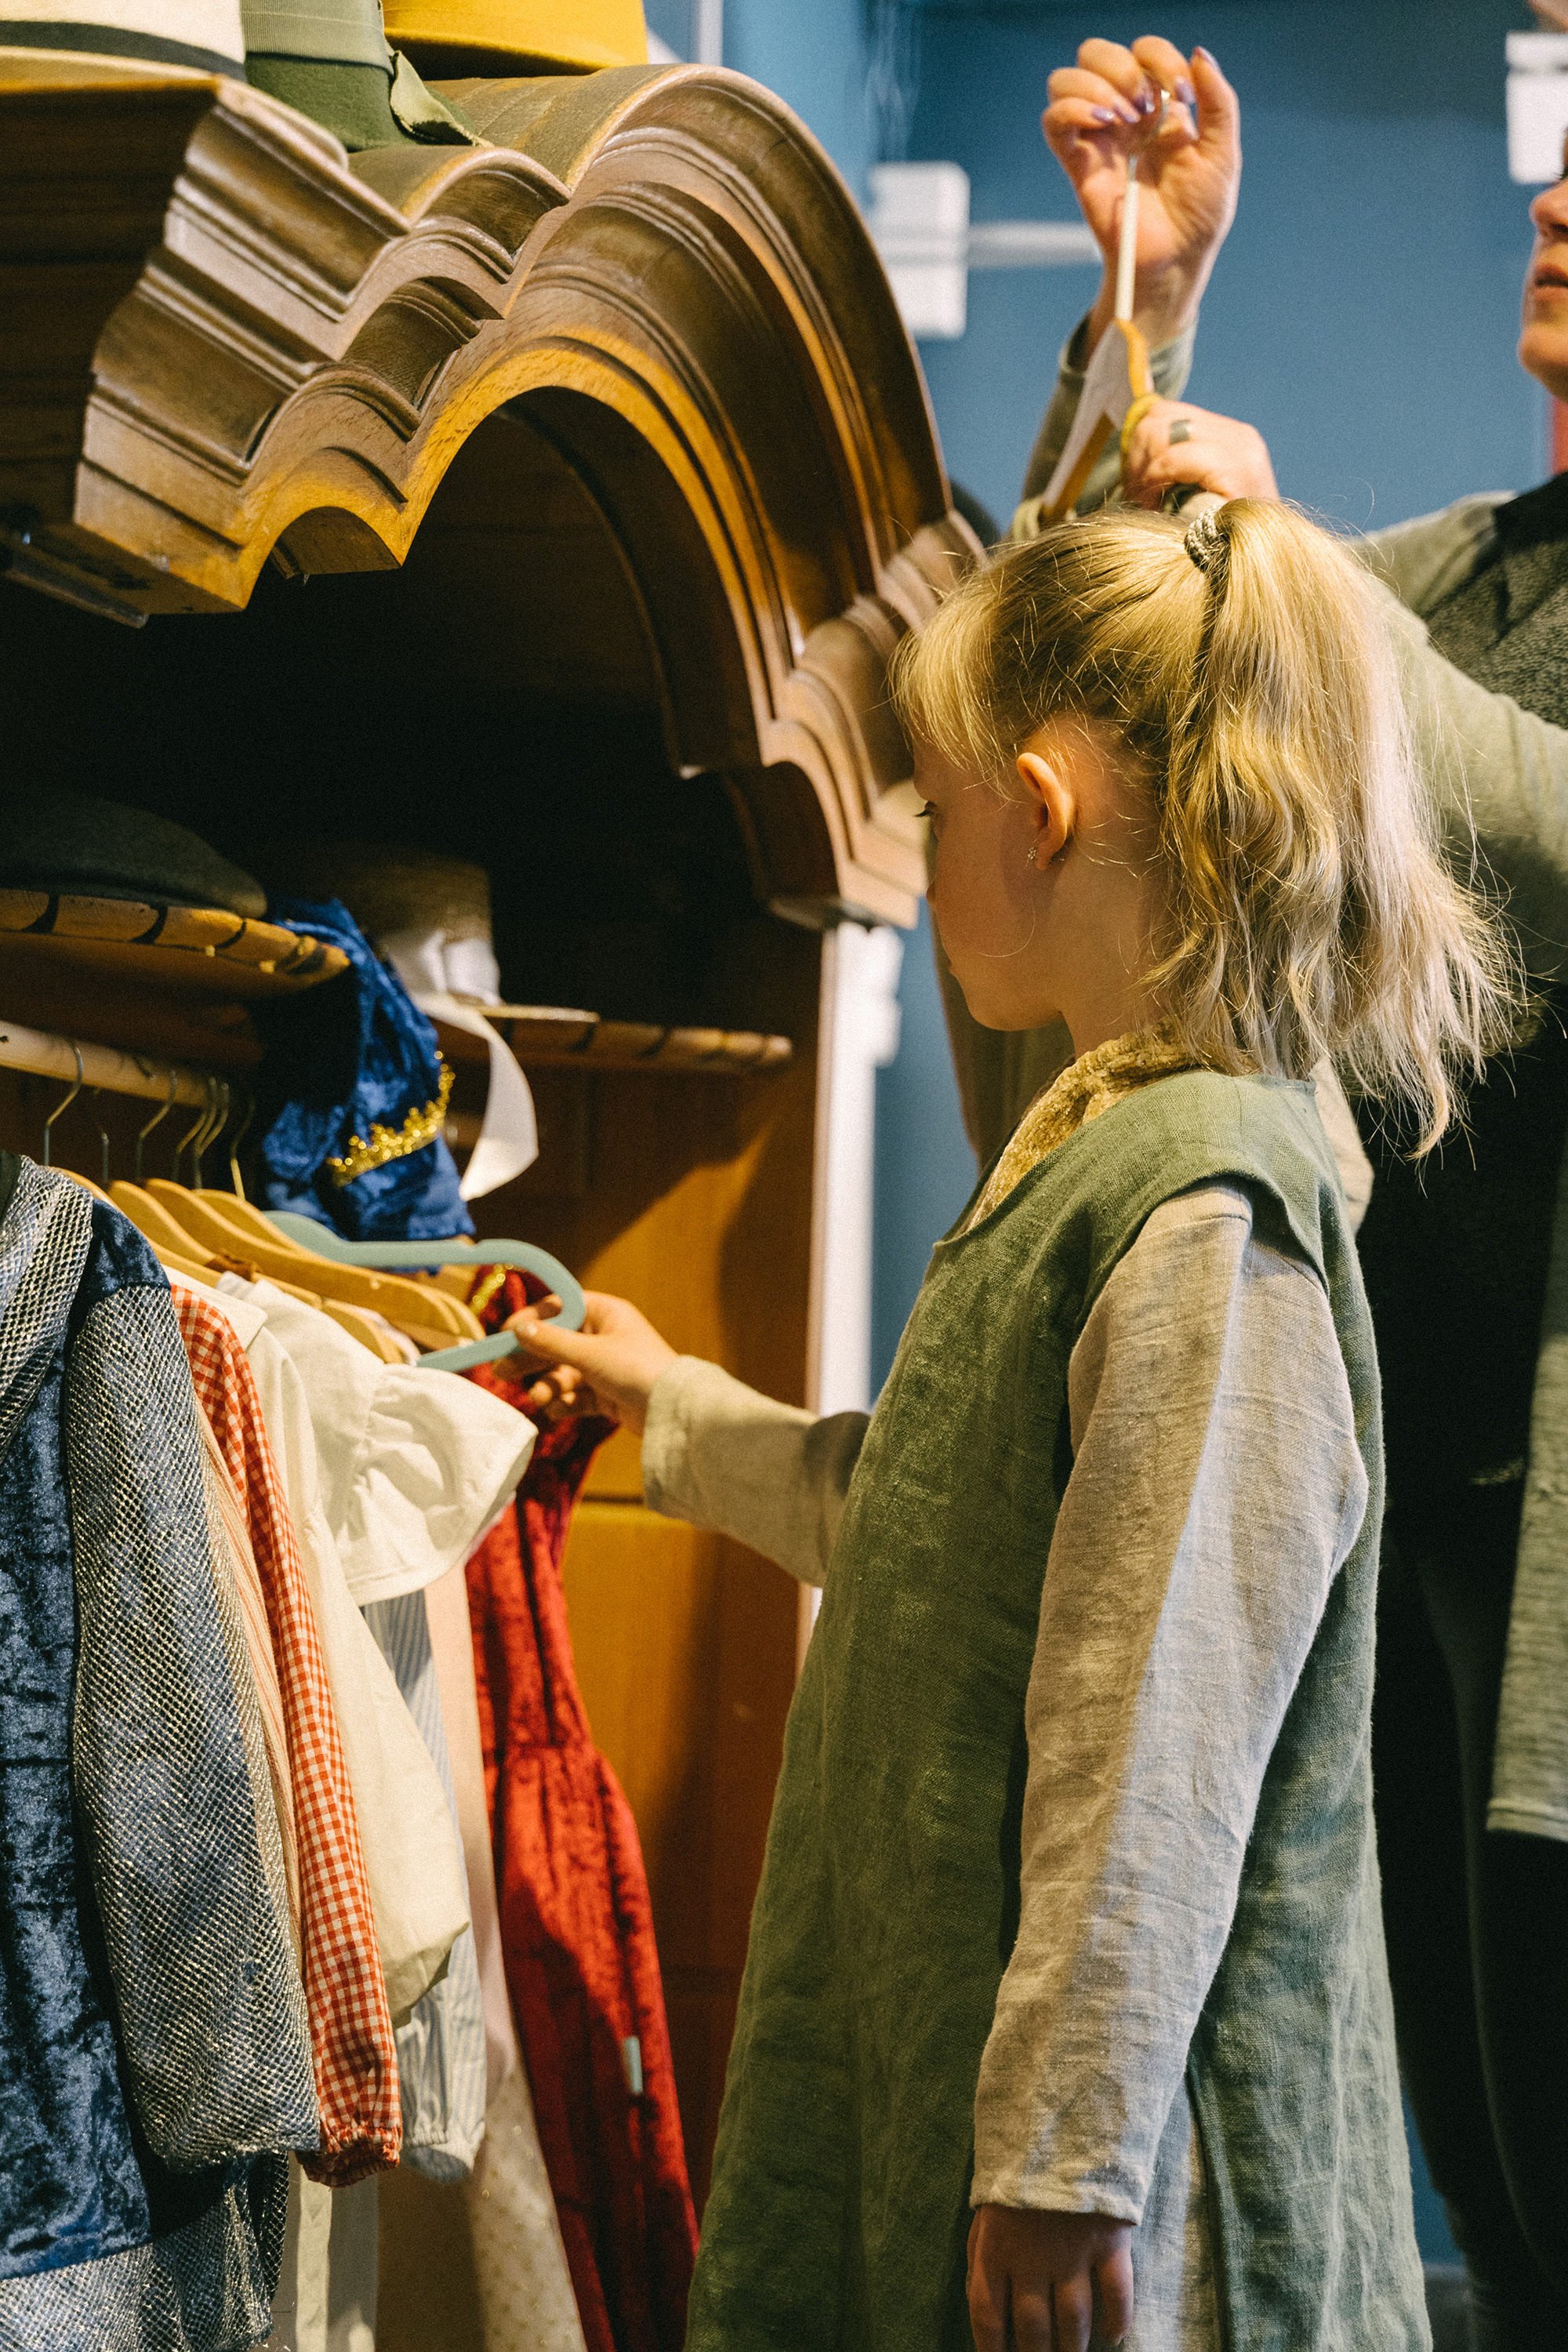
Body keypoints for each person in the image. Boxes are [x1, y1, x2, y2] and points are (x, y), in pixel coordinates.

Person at [499, 490, 1512, 2349]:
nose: (923, 853)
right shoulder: (1109, 1155)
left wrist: (1065, 2149)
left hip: (1145, 2213)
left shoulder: (1207, 1216)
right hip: (1034, 2129)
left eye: (930, 809)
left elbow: (1161, 1741)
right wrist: (676, 1413)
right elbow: (959, 1531)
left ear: (1035, 807)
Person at [1011, 38, 1568, 2350]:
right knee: (1495, 2189)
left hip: (1539, 1569)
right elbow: (1089, 669)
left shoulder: (1398, 609)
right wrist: (1161, 296)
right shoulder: (1456, 581)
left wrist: (1312, 582)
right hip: (1409, 1524)